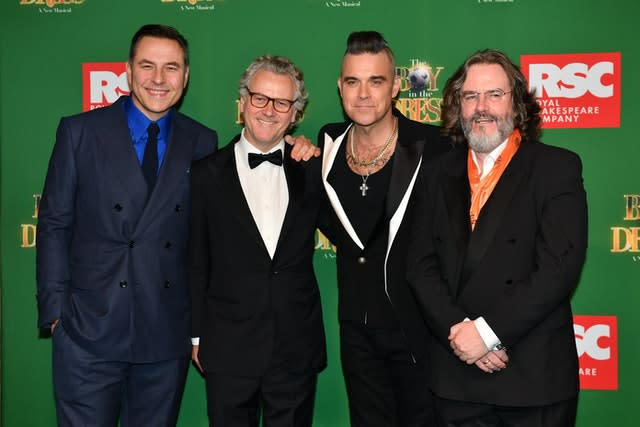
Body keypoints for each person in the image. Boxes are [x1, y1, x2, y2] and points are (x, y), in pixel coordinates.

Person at [36, 24, 316, 426]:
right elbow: (54, 225)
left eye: (171, 68)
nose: (158, 78)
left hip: (164, 334)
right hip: (88, 333)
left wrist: (296, 144)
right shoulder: (80, 132)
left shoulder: (201, 141)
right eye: (147, 66)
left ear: (185, 77)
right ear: (129, 71)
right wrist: (56, 314)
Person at [407, 49, 588, 427]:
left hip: (532, 378)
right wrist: (462, 336)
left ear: (518, 103)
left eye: (495, 95)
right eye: (470, 96)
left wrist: (488, 335)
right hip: (456, 374)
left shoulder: (556, 167)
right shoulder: (436, 172)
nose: (481, 107)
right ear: (458, 105)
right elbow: (420, 266)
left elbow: (559, 267)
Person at [317, 31, 448, 427]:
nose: (363, 94)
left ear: (394, 86)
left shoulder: (432, 146)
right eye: (353, 81)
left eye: (375, 81)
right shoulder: (327, 143)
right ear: (340, 87)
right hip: (357, 328)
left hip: (417, 328)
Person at [188, 55, 326, 427]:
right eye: (260, 98)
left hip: (295, 345)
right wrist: (197, 335)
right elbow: (196, 259)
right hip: (226, 344)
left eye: (282, 103)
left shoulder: (312, 168)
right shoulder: (205, 174)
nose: (269, 110)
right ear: (244, 101)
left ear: (295, 113)